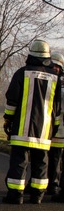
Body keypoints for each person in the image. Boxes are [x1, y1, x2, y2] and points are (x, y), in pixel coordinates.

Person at [2, 39, 62, 204]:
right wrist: (54, 127)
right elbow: (57, 108)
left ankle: (15, 196)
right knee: (41, 162)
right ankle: (37, 196)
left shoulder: (21, 73)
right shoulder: (55, 78)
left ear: (31, 55)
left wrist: (8, 120)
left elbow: (11, 101)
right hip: (44, 131)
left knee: (19, 162)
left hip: (22, 129)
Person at [48, 51, 64, 197]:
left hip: (59, 131)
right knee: (49, 159)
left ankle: (54, 185)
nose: (55, 69)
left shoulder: (61, 84)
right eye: (54, 66)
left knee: (55, 159)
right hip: (49, 130)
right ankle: (49, 185)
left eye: (58, 67)